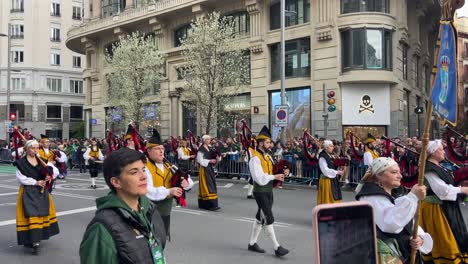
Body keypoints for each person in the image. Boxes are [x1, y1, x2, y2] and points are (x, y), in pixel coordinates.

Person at [79, 148, 167, 264]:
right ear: (116, 182)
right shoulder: (102, 229)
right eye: (134, 172)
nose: (144, 177)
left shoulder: (150, 209)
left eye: (143, 170)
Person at [356, 157, 432, 263]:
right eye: (394, 172)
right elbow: (391, 224)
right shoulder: (371, 196)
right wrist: (413, 197)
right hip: (384, 254)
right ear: (379, 175)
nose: (400, 176)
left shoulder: (394, 192)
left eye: (399, 172)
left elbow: (408, 222)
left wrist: (419, 237)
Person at [420, 140, 468, 264]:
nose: (443, 152)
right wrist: (462, 189)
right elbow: (443, 191)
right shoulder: (429, 170)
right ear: (433, 152)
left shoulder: (438, 166)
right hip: (436, 209)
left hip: (444, 207)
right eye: (441, 149)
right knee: (445, 239)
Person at [247, 125, 289, 257]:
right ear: (260, 143)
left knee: (260, 218)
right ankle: (277, 247)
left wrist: (284, 171)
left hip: (269, 190)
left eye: (270, 142)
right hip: (260, 191)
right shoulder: (255, 158)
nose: (270, 144)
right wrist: (274, 176)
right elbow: (259, 179)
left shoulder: (269, 157)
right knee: (268, 217)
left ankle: (252, 243)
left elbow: (274, 169)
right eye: (267, 142)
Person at [145, 129, 193, 239]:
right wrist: (169, 191)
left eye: (162, 148)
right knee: (150, 242)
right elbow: (147, 190)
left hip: (165, 211)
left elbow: (187, 179)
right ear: (149, 151)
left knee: (161, 240)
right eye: (157, 149)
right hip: (150, 211)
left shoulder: (169, 166)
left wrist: (186, 183)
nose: (161, 151)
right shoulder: (145, 167)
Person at [14, 139, 60, 254]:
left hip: (41, 192)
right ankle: (30, 239)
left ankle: (36, 240)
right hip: (28, 191)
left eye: (36, 148)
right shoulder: (21, 163)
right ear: (27, 149)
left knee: (40, 214)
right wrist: (36, 182)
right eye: (32, 148)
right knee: (30, 215)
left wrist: (50, 177)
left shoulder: (42, 160)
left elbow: (55, 171)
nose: (35, 150)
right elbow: (21, 178)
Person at [197, 134, 221, 210]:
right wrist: (210, 160)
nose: (209, 141)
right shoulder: (201, 149)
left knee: (211, 184)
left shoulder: (210, 148)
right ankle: (208, 204)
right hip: (204, 168)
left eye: (209, 139)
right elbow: (199, 160)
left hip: (209, 168)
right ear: (204, 140)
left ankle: (213, 204)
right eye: (207, 139)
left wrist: (218, 158)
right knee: (206, 185)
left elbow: (215, 155)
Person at [317, 140, 344, 204]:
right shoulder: (322, 157)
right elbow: (325, 170)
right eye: (331, 146)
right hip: (326, 181)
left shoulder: (330, 155)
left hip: (332, 179)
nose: (333, 147)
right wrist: (337, 172)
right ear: (326, 147)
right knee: (328, 201)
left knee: (334, 198)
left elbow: (333, 164)